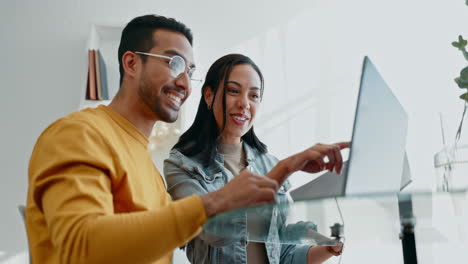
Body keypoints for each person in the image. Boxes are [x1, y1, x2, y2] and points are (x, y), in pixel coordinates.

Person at [25, 15, 281, 264]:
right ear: (132, 64)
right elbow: (81, 249)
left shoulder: (150, 171)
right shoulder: (80, 134)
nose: (185, 84)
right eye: (175, 64)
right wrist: (217, 201)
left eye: (190, 72)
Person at [164, 54, 349, 264]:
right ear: (209, 95)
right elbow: (213, 232)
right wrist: (286, 168)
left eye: (254, 96)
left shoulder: (268, 163)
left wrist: (329, 248)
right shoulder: (181, 165)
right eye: (234, 91)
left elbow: (283, 255)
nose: (244, 104)